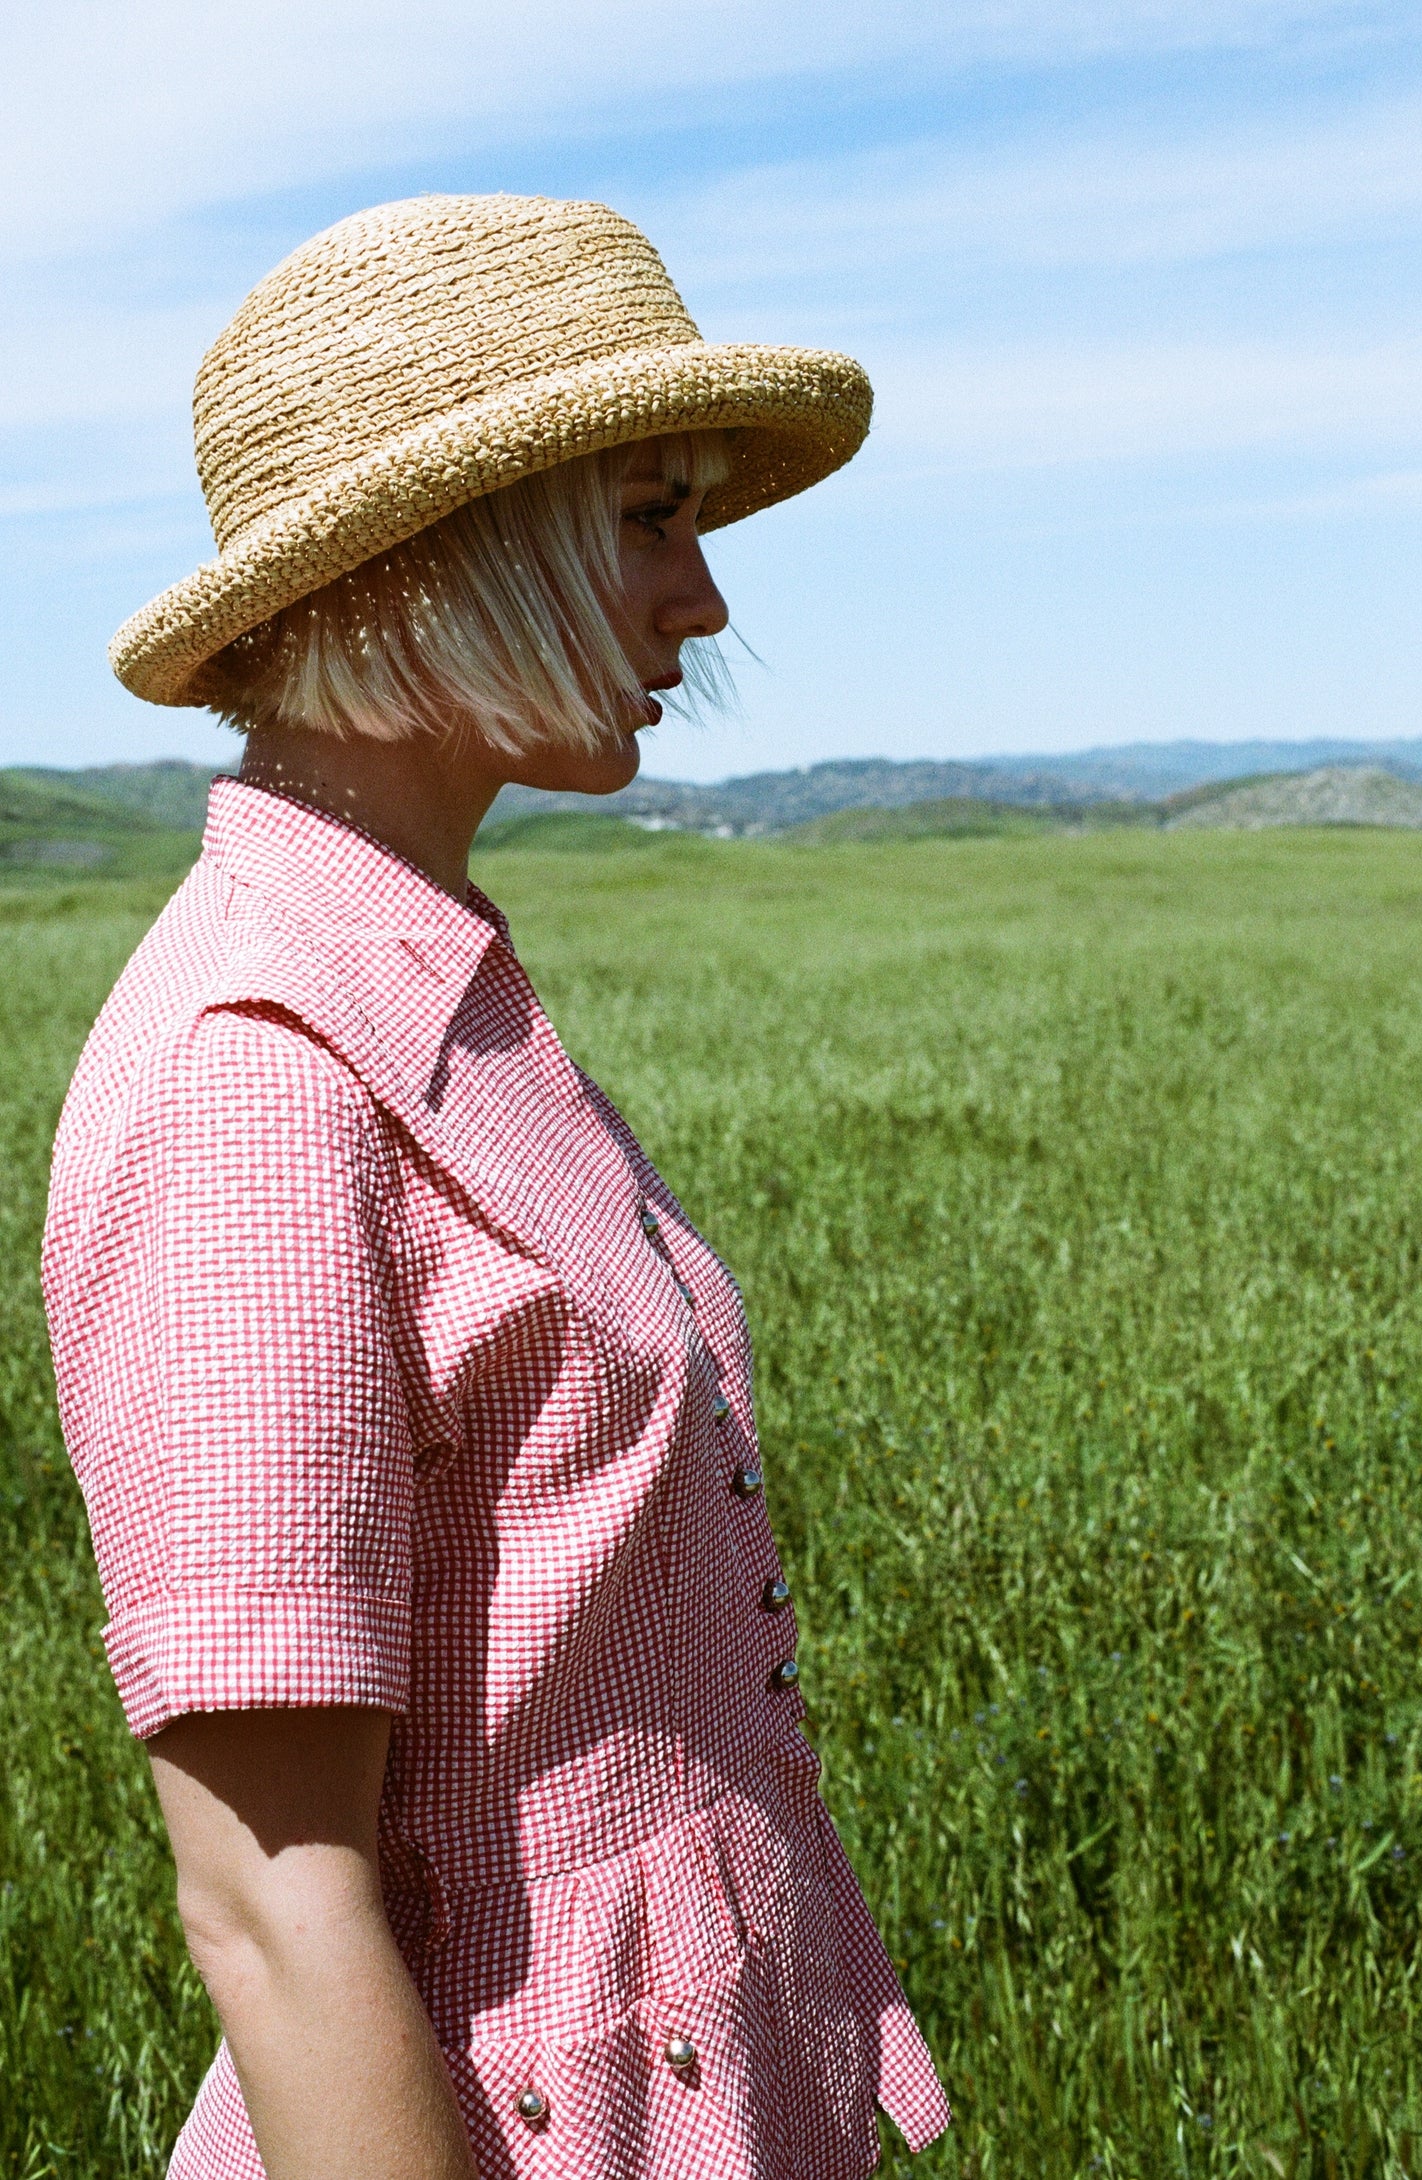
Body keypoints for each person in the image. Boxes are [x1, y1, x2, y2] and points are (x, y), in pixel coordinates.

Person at [43, 193, 950, 2180]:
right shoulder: (257, 1074)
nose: (701, 601)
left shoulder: (436, 989)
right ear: (435, 554)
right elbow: (275, 1910)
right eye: (646, 514)